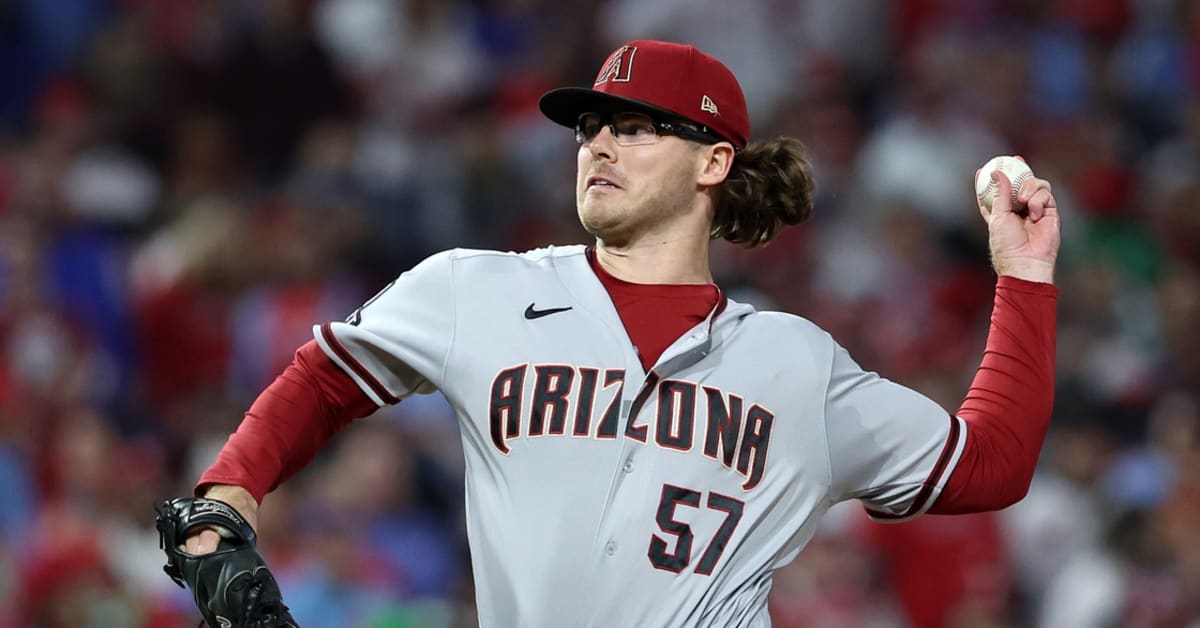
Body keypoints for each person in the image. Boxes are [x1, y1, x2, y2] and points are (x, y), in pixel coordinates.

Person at [178, 40, 1061, 627]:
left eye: (635, 128)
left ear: (715, 161)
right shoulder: (476, 289)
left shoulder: (794, 364)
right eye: (591, 126)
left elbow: (992, 463)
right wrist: (229, 496)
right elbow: (325, 378)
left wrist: (1023, 276)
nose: (598, 143)